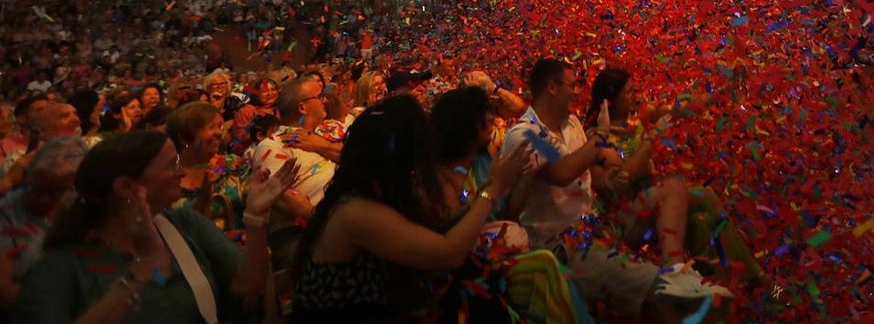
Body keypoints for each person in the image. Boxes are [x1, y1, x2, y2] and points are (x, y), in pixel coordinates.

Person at [501, 58, 731, 321]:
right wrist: (603, 136)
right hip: (563, 246)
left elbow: (589, 175)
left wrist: (608, 179)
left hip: (599, 226)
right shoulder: (524, 133)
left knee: (676, 188)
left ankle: (677, 270)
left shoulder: (572, 123)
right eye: (573, 84)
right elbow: (563, 173)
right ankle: (669, 289)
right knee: (670, 299)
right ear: (552, 87)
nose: (578, 91)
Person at [13, 129, 298, 323]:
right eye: (169, 166)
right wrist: (142, 271)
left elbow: (247, 284)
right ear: (126, 185)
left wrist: (255, 218)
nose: (182, 172)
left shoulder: (184, 224)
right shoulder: (60, 266)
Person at [290, 95, 532, 322]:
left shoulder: (376, 193)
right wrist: (493, 191)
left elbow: (435, 228)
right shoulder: (356, 210)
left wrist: (485, 191)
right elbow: (448, 254)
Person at [585, 68, 763, 286]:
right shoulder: (598, 137)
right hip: (627, 217)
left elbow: (684, 110)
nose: (636, 96)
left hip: (657, 199)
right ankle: (677, 274)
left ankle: (742, 278)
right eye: (629, 92)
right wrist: (651, 140)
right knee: (674, 187)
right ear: (610, 100)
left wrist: (723, 90)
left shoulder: (639, 116)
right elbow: (624, 176)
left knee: (702, 210)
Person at [432, 86, 593, 323]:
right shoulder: (442, 176)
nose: (492, 118)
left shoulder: (486, 159)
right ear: (463, 123)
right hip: (469, 273)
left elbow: (509, 215)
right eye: (483, 114)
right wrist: (493, 188)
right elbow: (454, 238)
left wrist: (525, 177)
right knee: (544, 264)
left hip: (507, 252)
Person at [250, 78, 337, 270]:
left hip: (339, 220)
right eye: (319, 96)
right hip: (299, 232)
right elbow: (283, 199)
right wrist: (323, 220)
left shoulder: (323, 137)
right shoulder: (273, 145)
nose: (325, 101)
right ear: (302, 107)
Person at [0, 136, 87, 313]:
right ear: (26, 177)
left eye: (56, 192)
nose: (43, 198)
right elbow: (4, 294)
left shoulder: (83, 211)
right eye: (35, 188)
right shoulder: (6, 215)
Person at [167, 102, 249, 236]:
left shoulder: (233, 164)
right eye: (211, 127)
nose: (219, 133)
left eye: (220, 126)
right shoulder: (167, 178)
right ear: (184, 137)